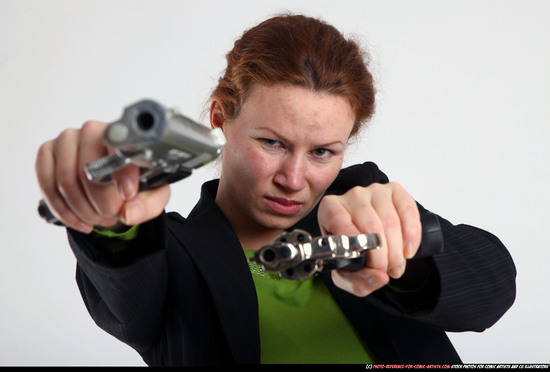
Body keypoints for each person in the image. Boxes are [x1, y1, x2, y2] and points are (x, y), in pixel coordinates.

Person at [35, 13, 516, 365]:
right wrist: (110, 217)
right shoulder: (175, 257)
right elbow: (125, 285)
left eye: (322, 152)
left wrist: (402, 257)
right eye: (272, 143)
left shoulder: (361, 200)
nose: (293, 178)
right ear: (220, 116)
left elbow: (493, 282)